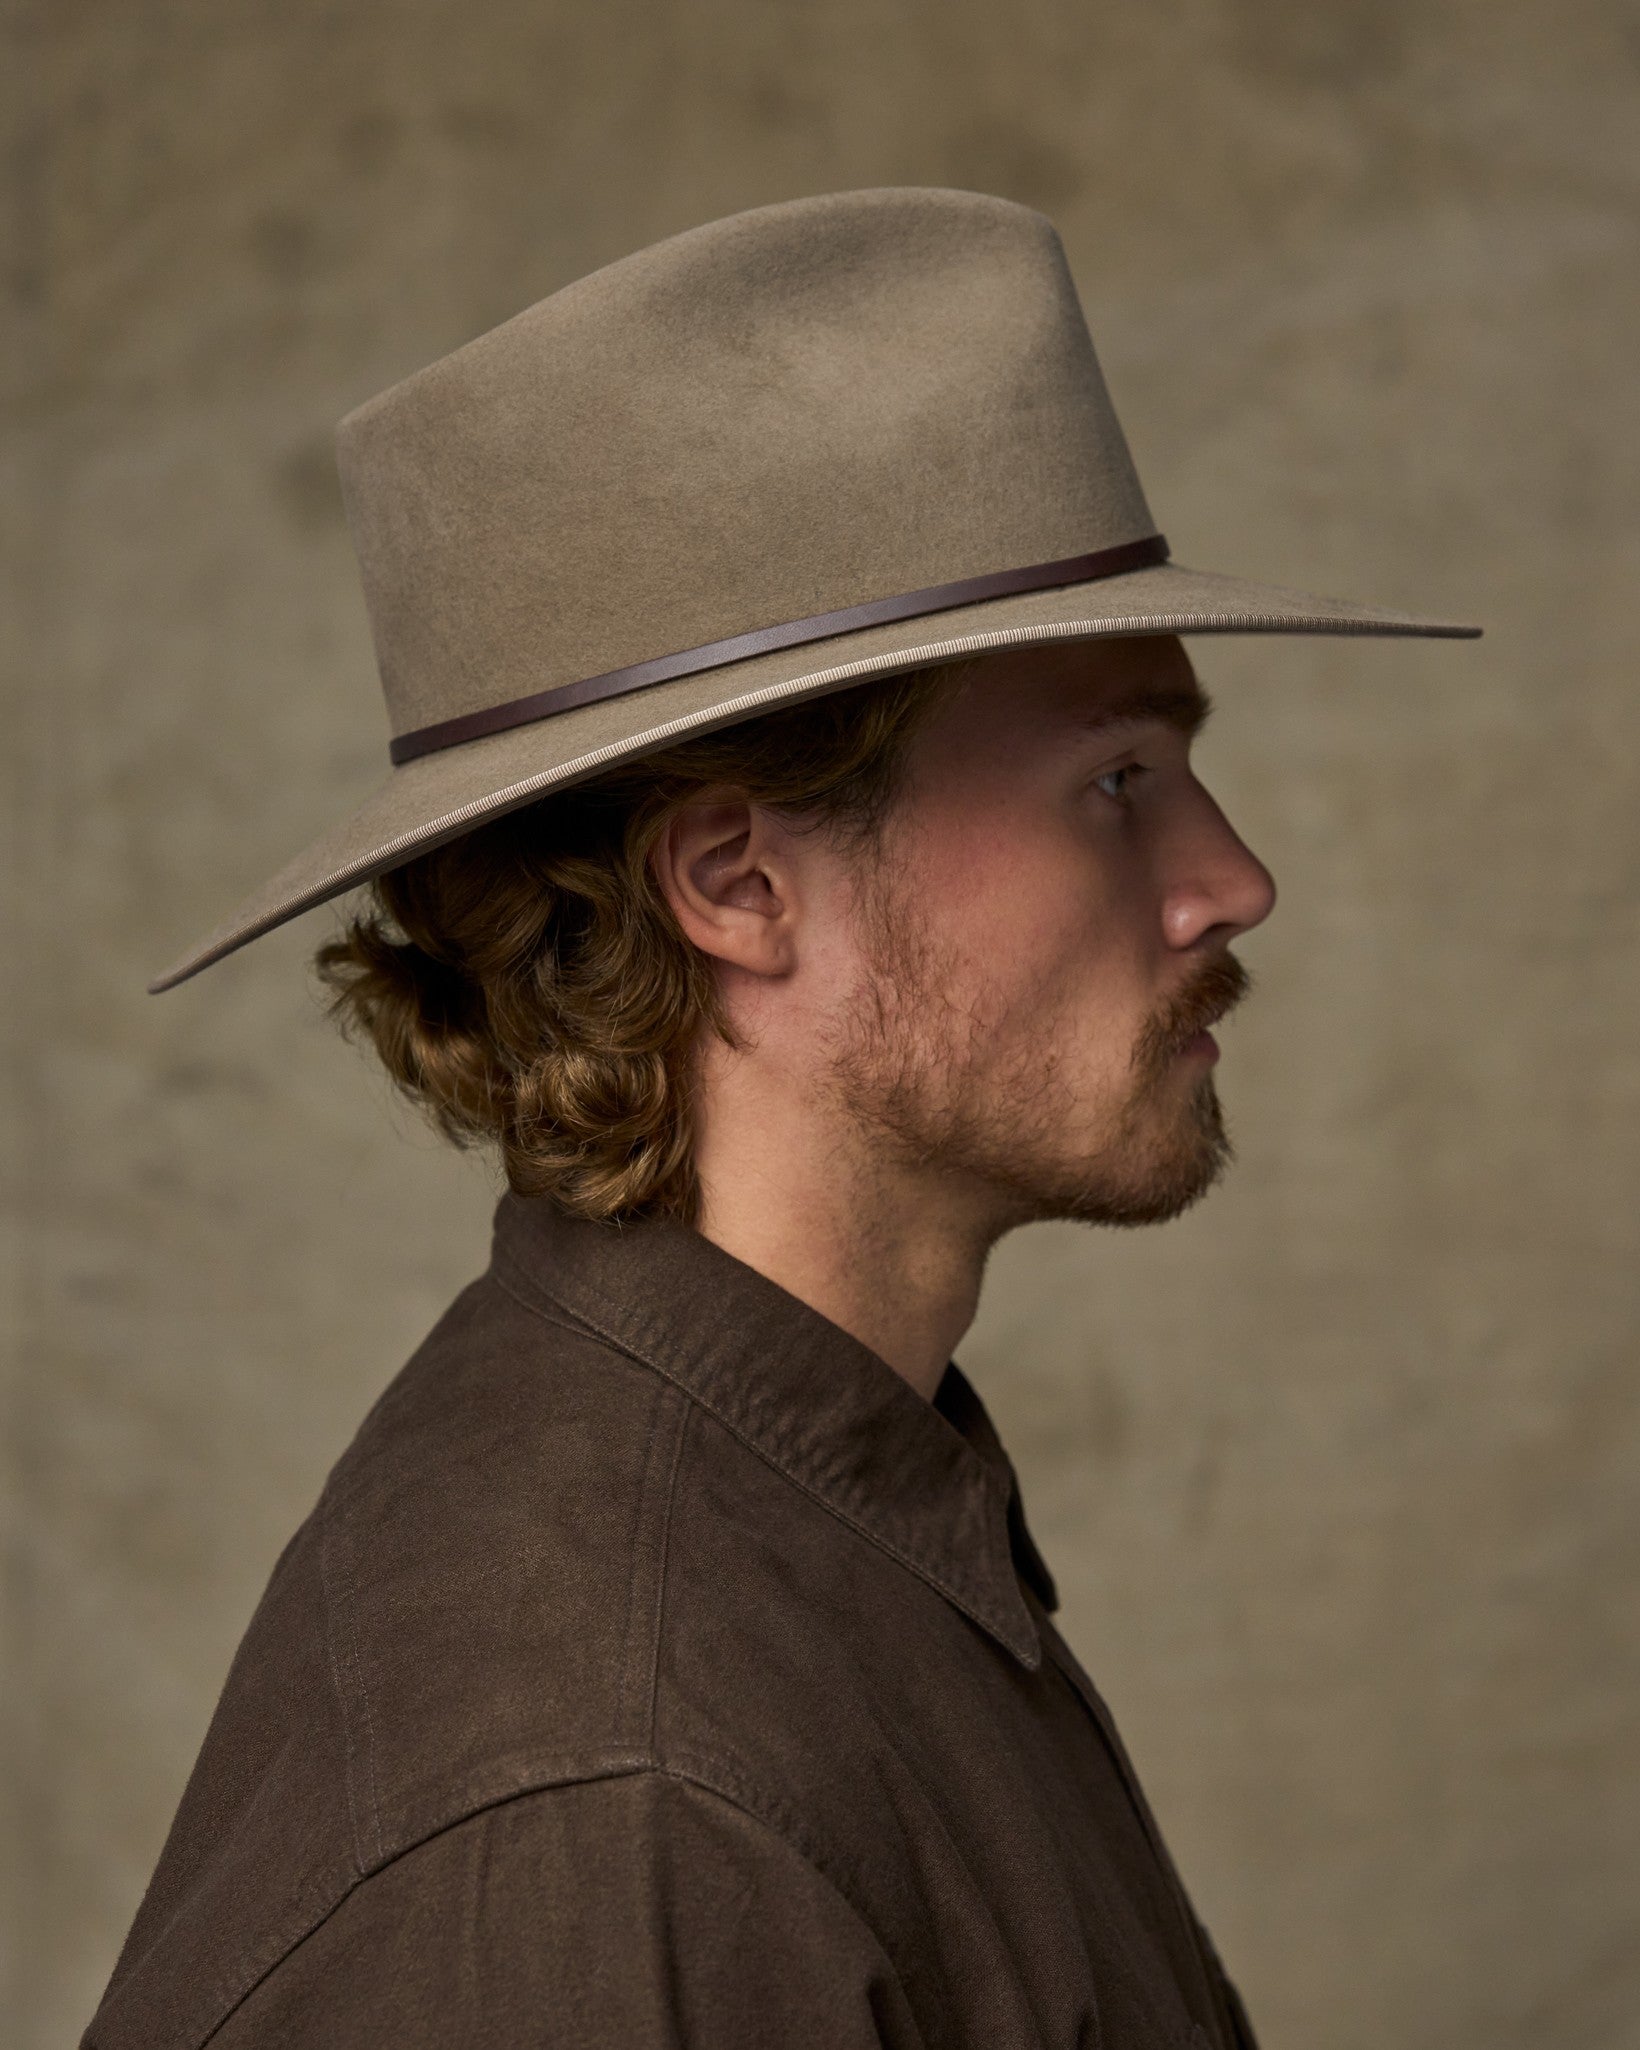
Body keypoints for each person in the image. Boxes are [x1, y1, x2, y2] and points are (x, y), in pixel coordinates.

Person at [90, 188, 1478, 2048]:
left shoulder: (812, 1533)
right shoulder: (615, 1802)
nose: (1232, 880)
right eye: (1117, 778)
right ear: (739, 885)